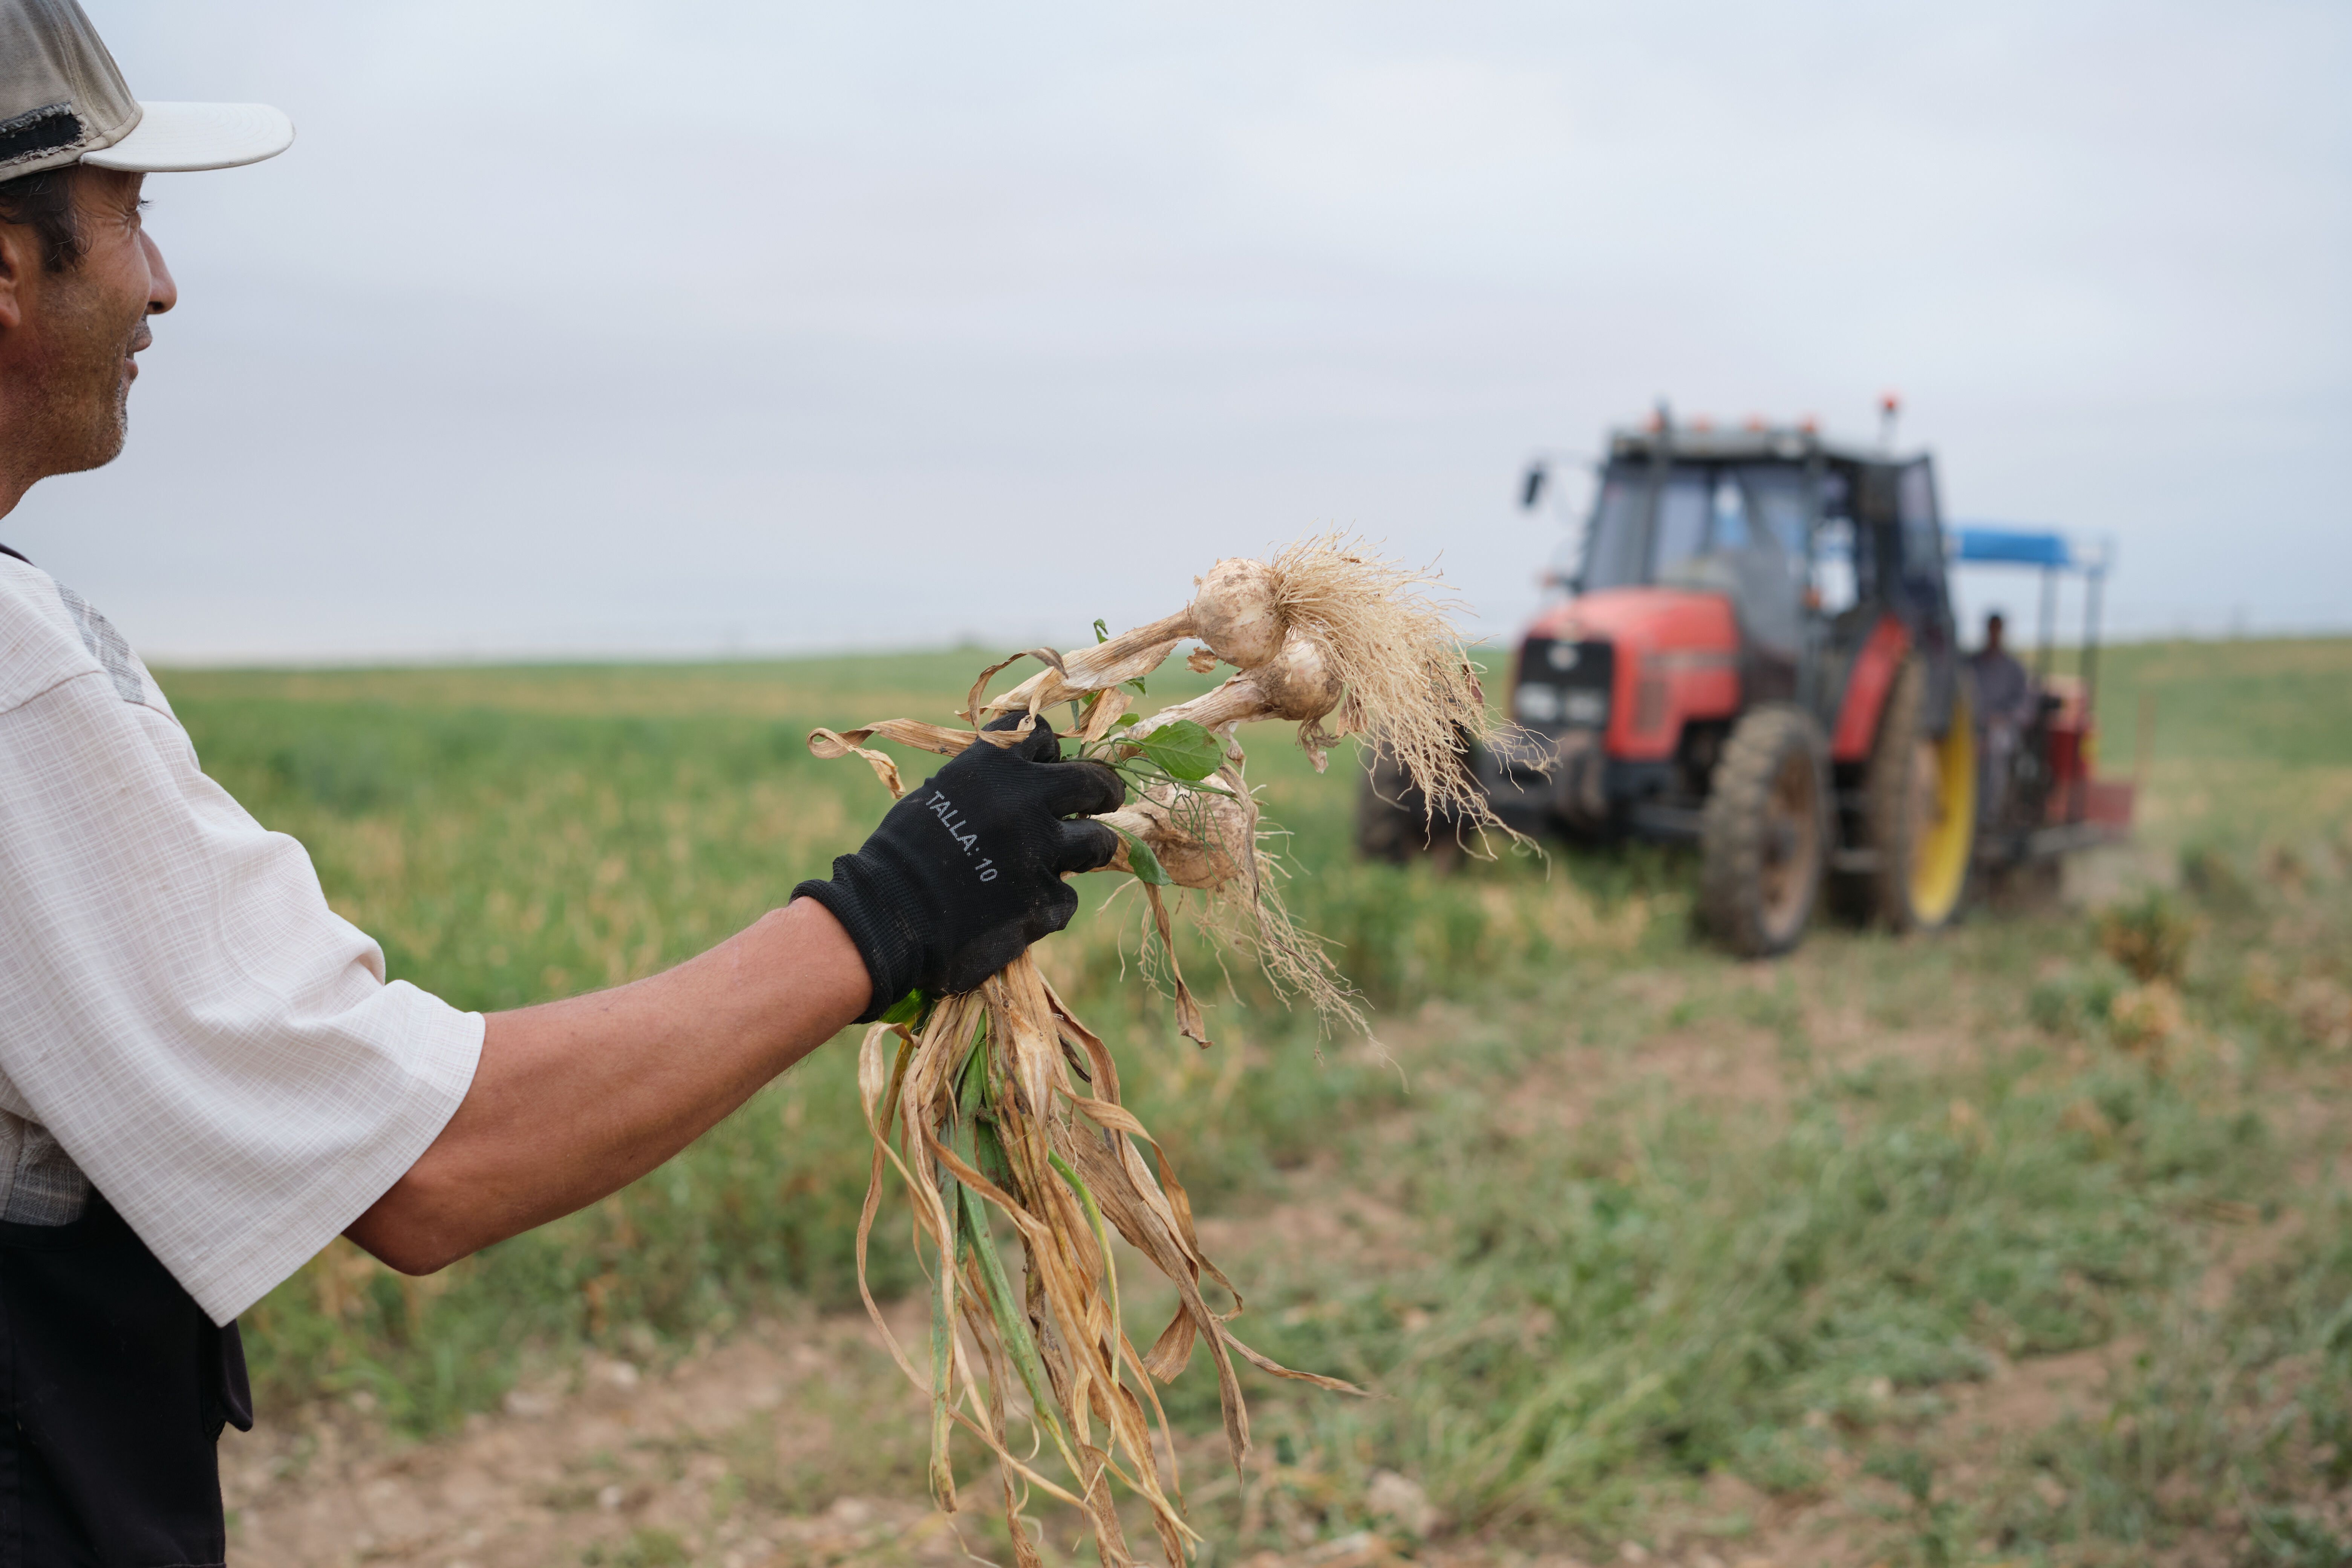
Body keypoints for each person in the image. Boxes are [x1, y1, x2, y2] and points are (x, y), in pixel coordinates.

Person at [0, 3, 1121, 1560]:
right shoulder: (13, 669)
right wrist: (892, 908)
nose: (165, 284)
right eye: (132, 217)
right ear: (6, 266)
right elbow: (429, 1165)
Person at [1967, 611, 2038, 826]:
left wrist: (2001, 719)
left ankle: (1988, 816)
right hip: (1971, 728)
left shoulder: (2014, 670)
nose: (1994, 634)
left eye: (1998, 629)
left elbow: (2025, 709)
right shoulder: (1972, 666)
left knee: (1996, 745)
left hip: (2002, 731)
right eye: (1991, 629)